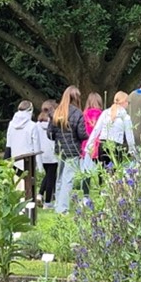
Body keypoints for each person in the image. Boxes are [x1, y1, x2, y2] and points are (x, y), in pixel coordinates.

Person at [46, 85, 88, 213]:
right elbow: (81, 134)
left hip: (61, 150)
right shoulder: (77, 113)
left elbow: (50, 134)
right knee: (68, 179)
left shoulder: (56, 112)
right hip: (73, 150)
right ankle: (62, 209)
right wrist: (87, 136)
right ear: (77, 98)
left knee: (60, 178)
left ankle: (58, 204)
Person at [87, 91, 135, 167]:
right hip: (116, 145)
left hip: (103, 144)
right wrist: (132, 150)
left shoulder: (105, 113)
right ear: (124, 102)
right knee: (115, 173)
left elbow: (96, 129)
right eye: (128, 102)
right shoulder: (125, 117)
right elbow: (129, 135)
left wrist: (89, 145)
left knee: (103, 171)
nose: (128, 104)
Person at [5, 100, 42, 174]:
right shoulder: (33, 126)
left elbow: (8, 144)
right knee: (29, 183)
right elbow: (36, 146)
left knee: (17, 183)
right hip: (29, 160)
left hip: (15, 159)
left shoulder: (11, 124)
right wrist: (40, 167)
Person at [36, 101, 58, 204]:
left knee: (47, 175)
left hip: (41, 154)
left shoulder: (37, 124)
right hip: (52, 154)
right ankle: (48, 201)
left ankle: (40, 194)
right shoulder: (53, 123)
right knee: (51, 177)